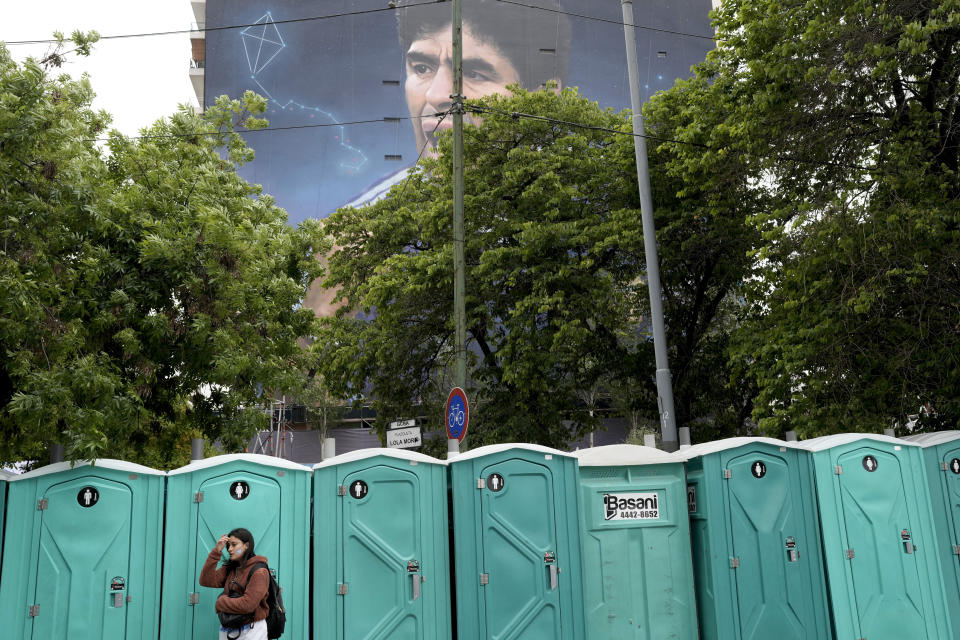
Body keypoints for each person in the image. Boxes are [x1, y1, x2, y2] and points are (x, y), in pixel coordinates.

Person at [341, 0, 572, 207]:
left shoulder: (599, 207)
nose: (435, 95)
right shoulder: (353, 241)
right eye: (422, 68)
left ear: (545, 96)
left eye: (473, 73)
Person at [199, 528, 271, 640]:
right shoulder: (232, 568)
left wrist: (221, 602)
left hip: (251, 631)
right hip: (228, 628)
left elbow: (248, 605)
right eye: (228, 545)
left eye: (234, 545)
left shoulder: (259, 571)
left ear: (246, 545)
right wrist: (216, 551)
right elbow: (206, 580)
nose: (229, 549)